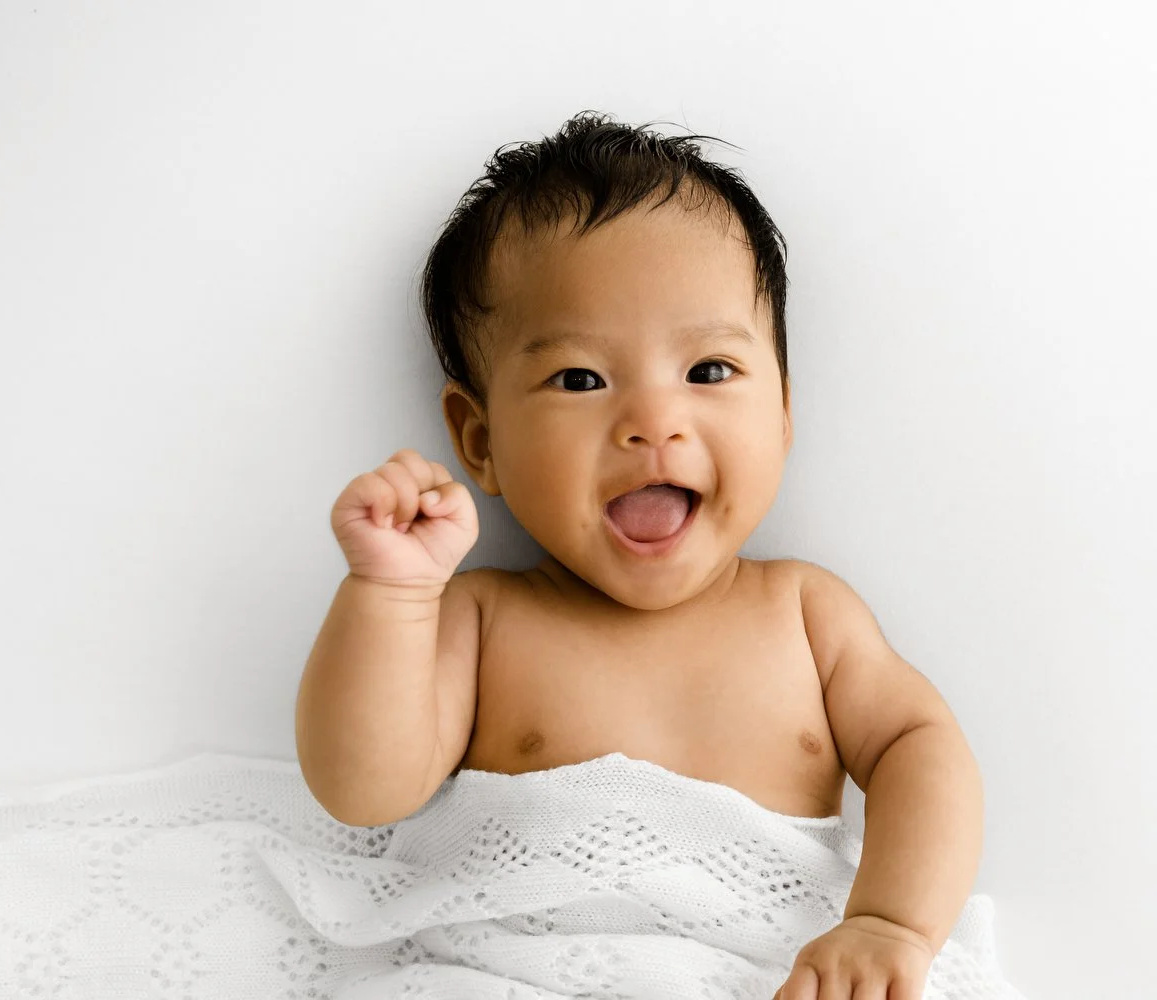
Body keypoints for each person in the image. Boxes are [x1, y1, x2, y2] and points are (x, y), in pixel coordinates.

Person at [295, 110, 984, 1000]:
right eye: (580, 378)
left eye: (707, 372)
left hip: (768, 976)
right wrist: (389, 595)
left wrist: (890, 923)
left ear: (782, 410)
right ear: (481, 441)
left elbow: (922, 749)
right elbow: (363, 791)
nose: (653, 422)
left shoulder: (809, 616)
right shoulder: (482, 617)